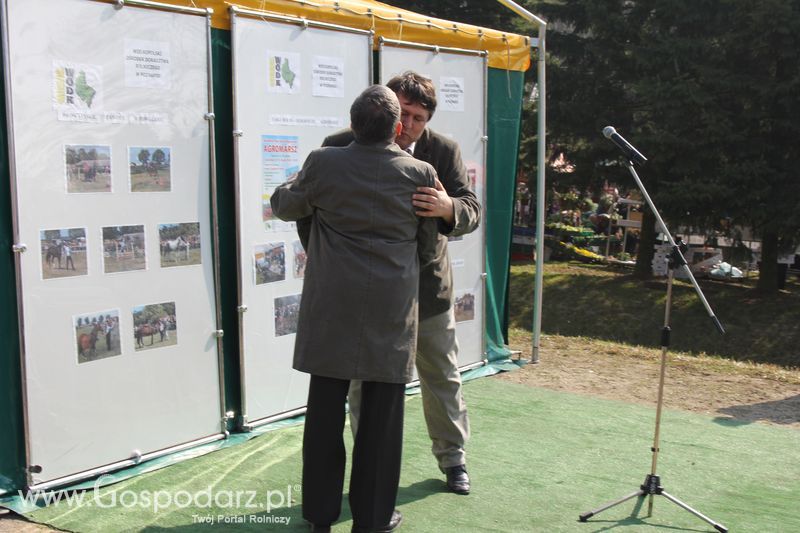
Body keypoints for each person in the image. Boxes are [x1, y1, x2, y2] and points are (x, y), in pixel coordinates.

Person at [299, 71, 481, 495]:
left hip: (427, 289)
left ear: (427, 119)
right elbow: (307, 211)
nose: (408, 125)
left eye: (419, 117)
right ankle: (370, 471)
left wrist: (446, 206)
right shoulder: (339, 145)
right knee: (363, 387)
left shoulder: (443, 150)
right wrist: (328, 260)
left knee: (442, 376)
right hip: (366, 298)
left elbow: (471, 211)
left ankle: (454, 460)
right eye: (404, 113)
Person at [271, 85, 439, 533]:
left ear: (352, 122)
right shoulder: (421, 172)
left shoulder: (324, 162)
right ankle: (373, 518)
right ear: (398, 127)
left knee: (325, 413)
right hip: (391, 305)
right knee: (382, 419)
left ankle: (320, 516)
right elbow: (427, 245)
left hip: (332, 302)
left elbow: (284, 205)